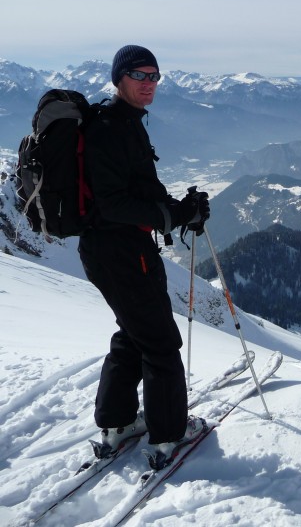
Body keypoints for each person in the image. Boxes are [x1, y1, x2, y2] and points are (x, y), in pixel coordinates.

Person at [78, 44, 211, 469]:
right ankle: (168, 434)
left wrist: (179, 209)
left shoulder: (124, 123)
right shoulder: (110, 128)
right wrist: (170, 214)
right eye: (140, 75)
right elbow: (113, 204)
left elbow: (137, 190)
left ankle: (117, 424)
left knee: (134, 333)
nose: (149, 83)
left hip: (114, 250)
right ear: (119, 79)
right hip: (120, 252)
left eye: (154, 75)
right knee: (160, 341)